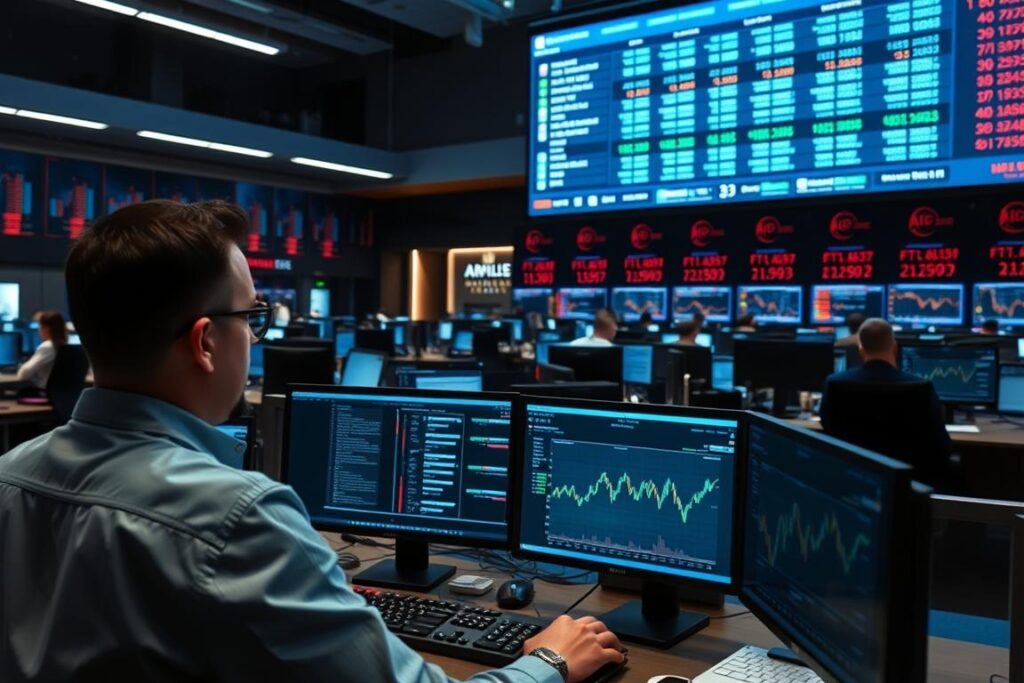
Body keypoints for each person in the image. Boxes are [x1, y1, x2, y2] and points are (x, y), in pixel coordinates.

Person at [0, 200, 624, 681]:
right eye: (251, 317)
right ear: (205, 341)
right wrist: (548, 661)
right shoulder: (236, 517)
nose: (255, 336)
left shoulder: (11, 476)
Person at [819, 317, 950, 461]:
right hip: (910, 477)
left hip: (854, 472)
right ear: (894, 348)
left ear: (860, 350)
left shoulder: (834, 384)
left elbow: (828, 430)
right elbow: (942, 446)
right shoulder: (922, 387)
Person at [15, 310, 68, 389]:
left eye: (40, 326)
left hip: (45, 393)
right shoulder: (65, 346)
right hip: (62, 394)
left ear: (47, 328)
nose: (38, 330)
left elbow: (23, 374)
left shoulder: (47, 347)